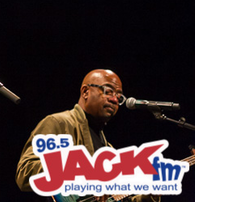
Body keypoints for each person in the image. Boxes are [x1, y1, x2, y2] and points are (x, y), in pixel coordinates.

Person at [15, 69, 160, 202]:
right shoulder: (59, 123)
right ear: (85, 92)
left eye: (119, 96)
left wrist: (151, 192)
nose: (115, 100)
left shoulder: (108, 150)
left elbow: (118, 198)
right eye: (108, 91)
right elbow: (25, 173)